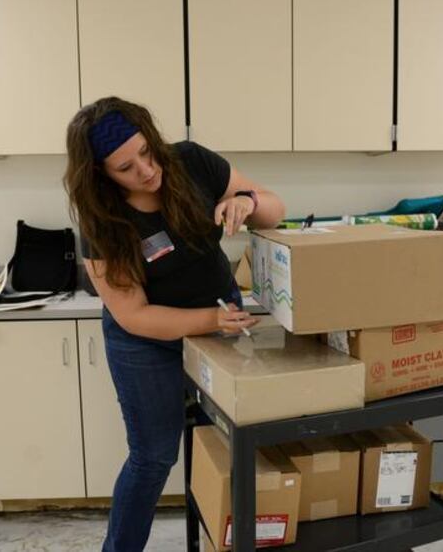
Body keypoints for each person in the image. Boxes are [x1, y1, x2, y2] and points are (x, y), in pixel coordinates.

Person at [63, 96, 286, 551]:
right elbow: (134, 314)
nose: (145, 170)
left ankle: (218, 542)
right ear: (101, 175)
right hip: (145, 343)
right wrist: (210, 320)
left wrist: (246, 201)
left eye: (146, 152)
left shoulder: (190, 162)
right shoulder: (102, 221)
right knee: (154, 456)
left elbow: (275, 208)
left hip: (221, 323)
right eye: (126, 167)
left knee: (222, 448)